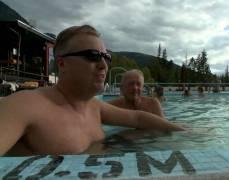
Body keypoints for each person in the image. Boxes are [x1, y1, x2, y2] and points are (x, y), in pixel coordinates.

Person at [0, 25, 184, 156]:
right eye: (93, 56)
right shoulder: (23, 105)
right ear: (62, 64)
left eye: (106, 57)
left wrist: (186, 131)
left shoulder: (93, 106)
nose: (103, 65)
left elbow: (138, 117)